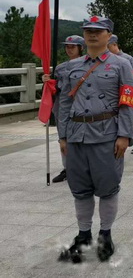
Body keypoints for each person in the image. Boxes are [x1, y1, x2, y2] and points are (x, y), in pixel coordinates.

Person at [57, 16, 133, 263]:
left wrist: (124, 135)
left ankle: (105, 235)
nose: (92, 34)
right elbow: (65, 102)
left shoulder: (121, 65)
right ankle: (83, 235)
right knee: (79, 189)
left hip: (106, 135)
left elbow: (128, 101)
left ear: (109, 35)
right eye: (88, 30)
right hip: (76, 135)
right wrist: (62, 134)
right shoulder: (72, 66)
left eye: (98, 31)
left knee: (108, 187)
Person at [42, 35, 85, 183]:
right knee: (63, 137)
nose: (69, 49)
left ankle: (81, 168)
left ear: (81, 48)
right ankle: (67, 168)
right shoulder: (60, 68)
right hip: (62, 105)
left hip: (81, 105)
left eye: (72, 47)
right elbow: (57, 87)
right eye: (67, 47)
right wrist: (48, 81)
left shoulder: (87, 65)